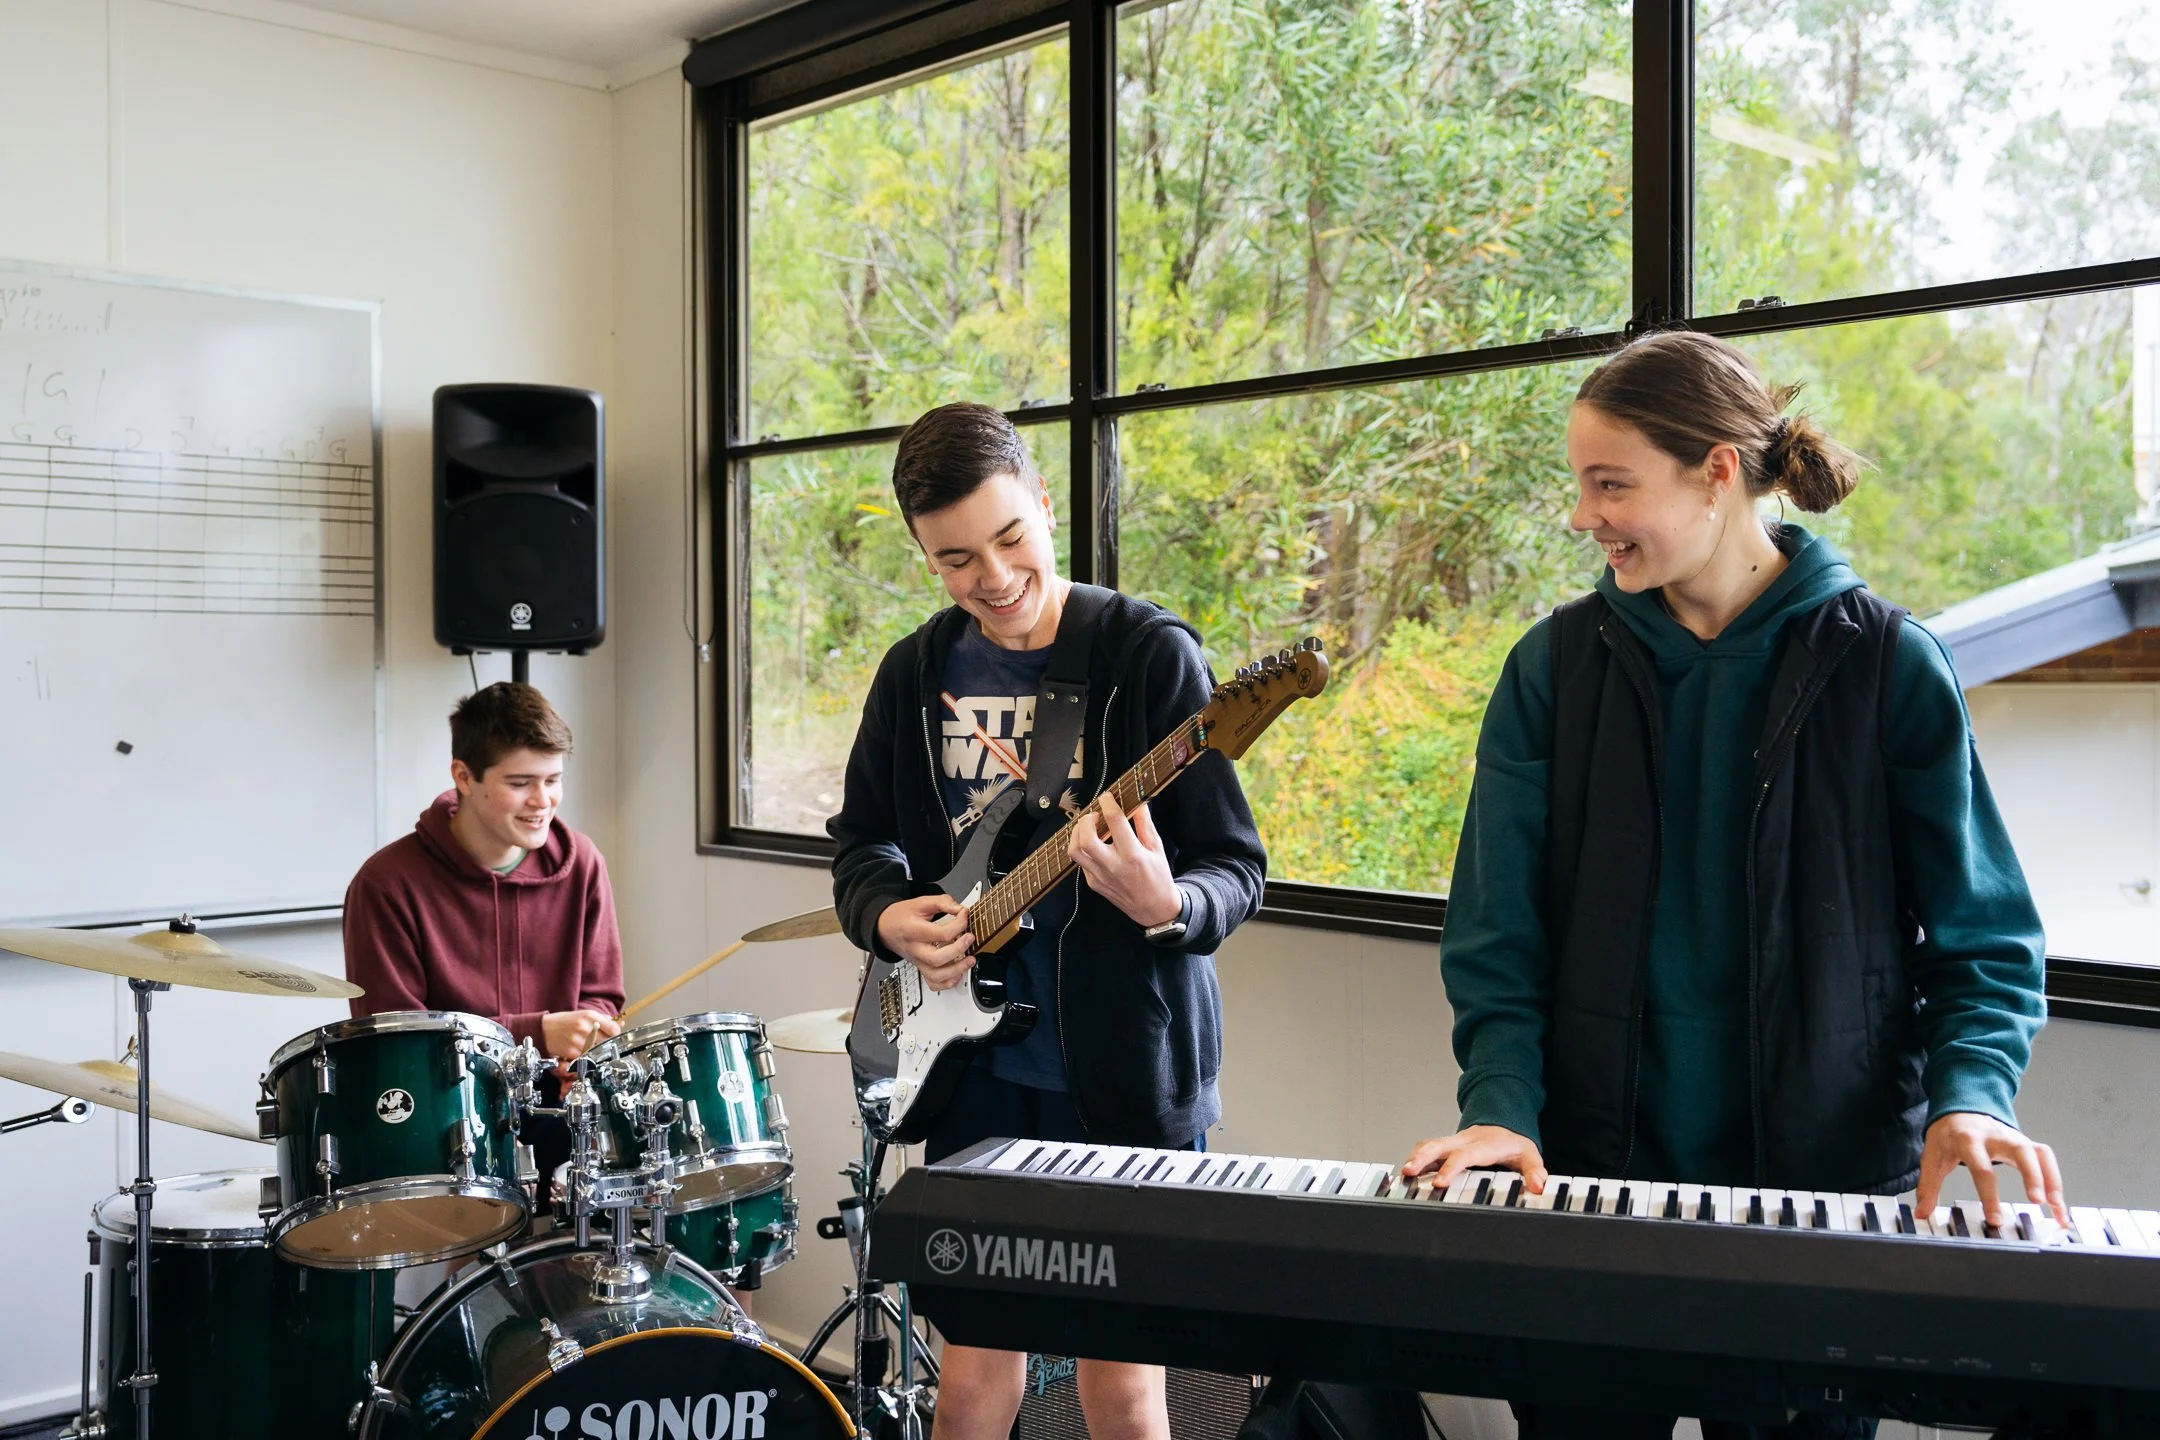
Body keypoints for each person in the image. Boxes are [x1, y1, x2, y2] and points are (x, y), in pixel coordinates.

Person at [1402, 331, 2064, 1440]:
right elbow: (1494, 937)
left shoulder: (1889, 664)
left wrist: (1971, 1095)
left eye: (1611, 484)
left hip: (1818, 1202)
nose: (1584, 516)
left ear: (1716, 470)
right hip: (1587, 1192)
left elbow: (1983, 937)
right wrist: (1500, 1108)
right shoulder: (1549, 673)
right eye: (1580, 484)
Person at [829, 402, 1266, 1440]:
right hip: (972, 1071)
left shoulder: (1148, 657)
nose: (992, 576)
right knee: (974, 1377)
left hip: (1122, 1075)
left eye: (1011, 537)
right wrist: (891, 917)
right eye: (954, 559)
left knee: (1121, 1384)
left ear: (1044, 502)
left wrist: (1168, 907)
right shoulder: (915, 673)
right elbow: (859, 849)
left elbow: (1235, 869)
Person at [344, 681, 624, 1187]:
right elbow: (395, 1044)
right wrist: (535, 1033)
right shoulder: (384, 883)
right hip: (442, 1124)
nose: (543, 801)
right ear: (464, 777)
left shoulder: (582, 862)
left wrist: (581, 1049)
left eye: (553, 779)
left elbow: (601, 997)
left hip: (560, 1113)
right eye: (521, 783)